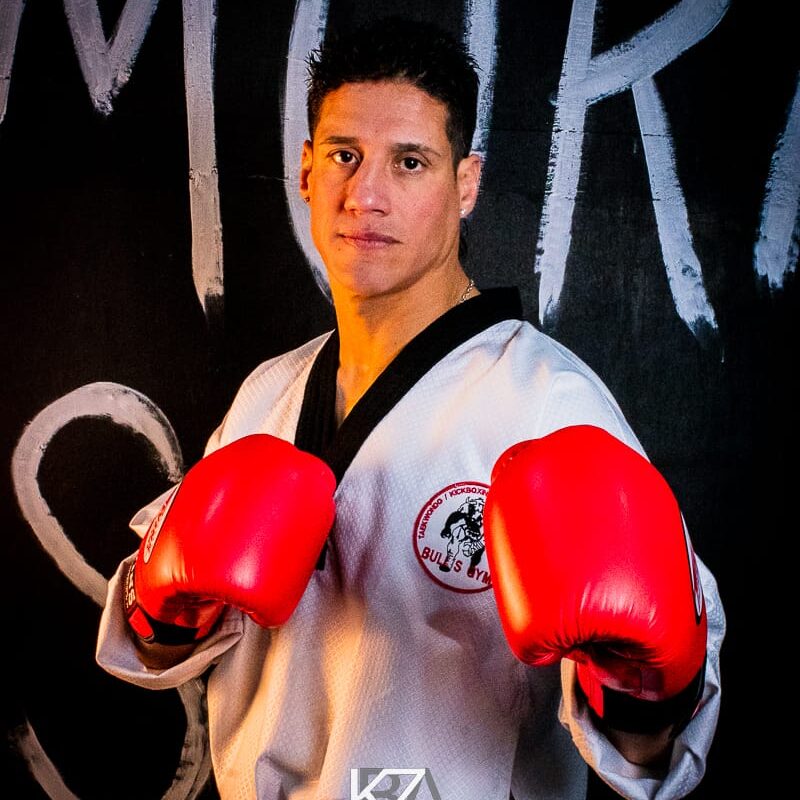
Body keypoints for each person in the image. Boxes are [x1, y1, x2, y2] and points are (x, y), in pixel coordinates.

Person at [96, 16, 724, 800]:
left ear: (466, 184)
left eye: (410, 162)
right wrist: (168, 608)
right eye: (344, 156)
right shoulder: (268, 394)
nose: (365, 195)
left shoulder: (547, 403)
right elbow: (151, 653)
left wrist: (640, 686)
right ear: (306, 171)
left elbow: (653, 752)